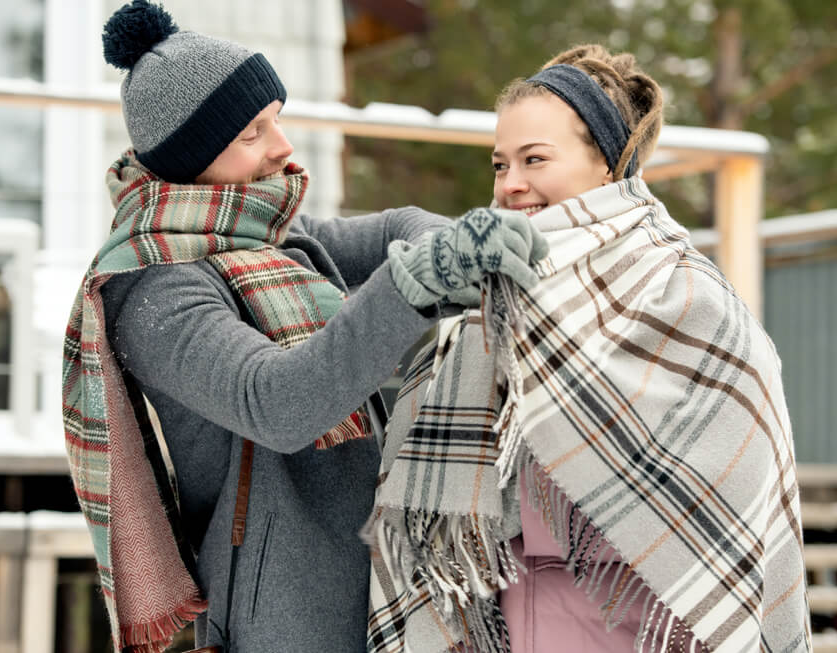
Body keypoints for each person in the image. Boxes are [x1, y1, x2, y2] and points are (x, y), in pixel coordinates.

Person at [61, 2, 547, 653]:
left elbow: (393, 227)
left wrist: (459, 244)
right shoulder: (155, 289)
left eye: (277, 119)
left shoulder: (263, 233)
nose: (282, 146)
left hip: (375, 570)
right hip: (287, 612)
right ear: (193, 155)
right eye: (253, 133)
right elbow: (279, 401)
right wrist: (415, 283)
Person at [365, 44, 810, 652]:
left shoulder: (684, 293)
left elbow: (731, 482)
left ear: (605, 161)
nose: (511, 184)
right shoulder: (492, 296)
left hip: (641, 626)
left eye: (535, 159)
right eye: (500, 164)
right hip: (511, 626)